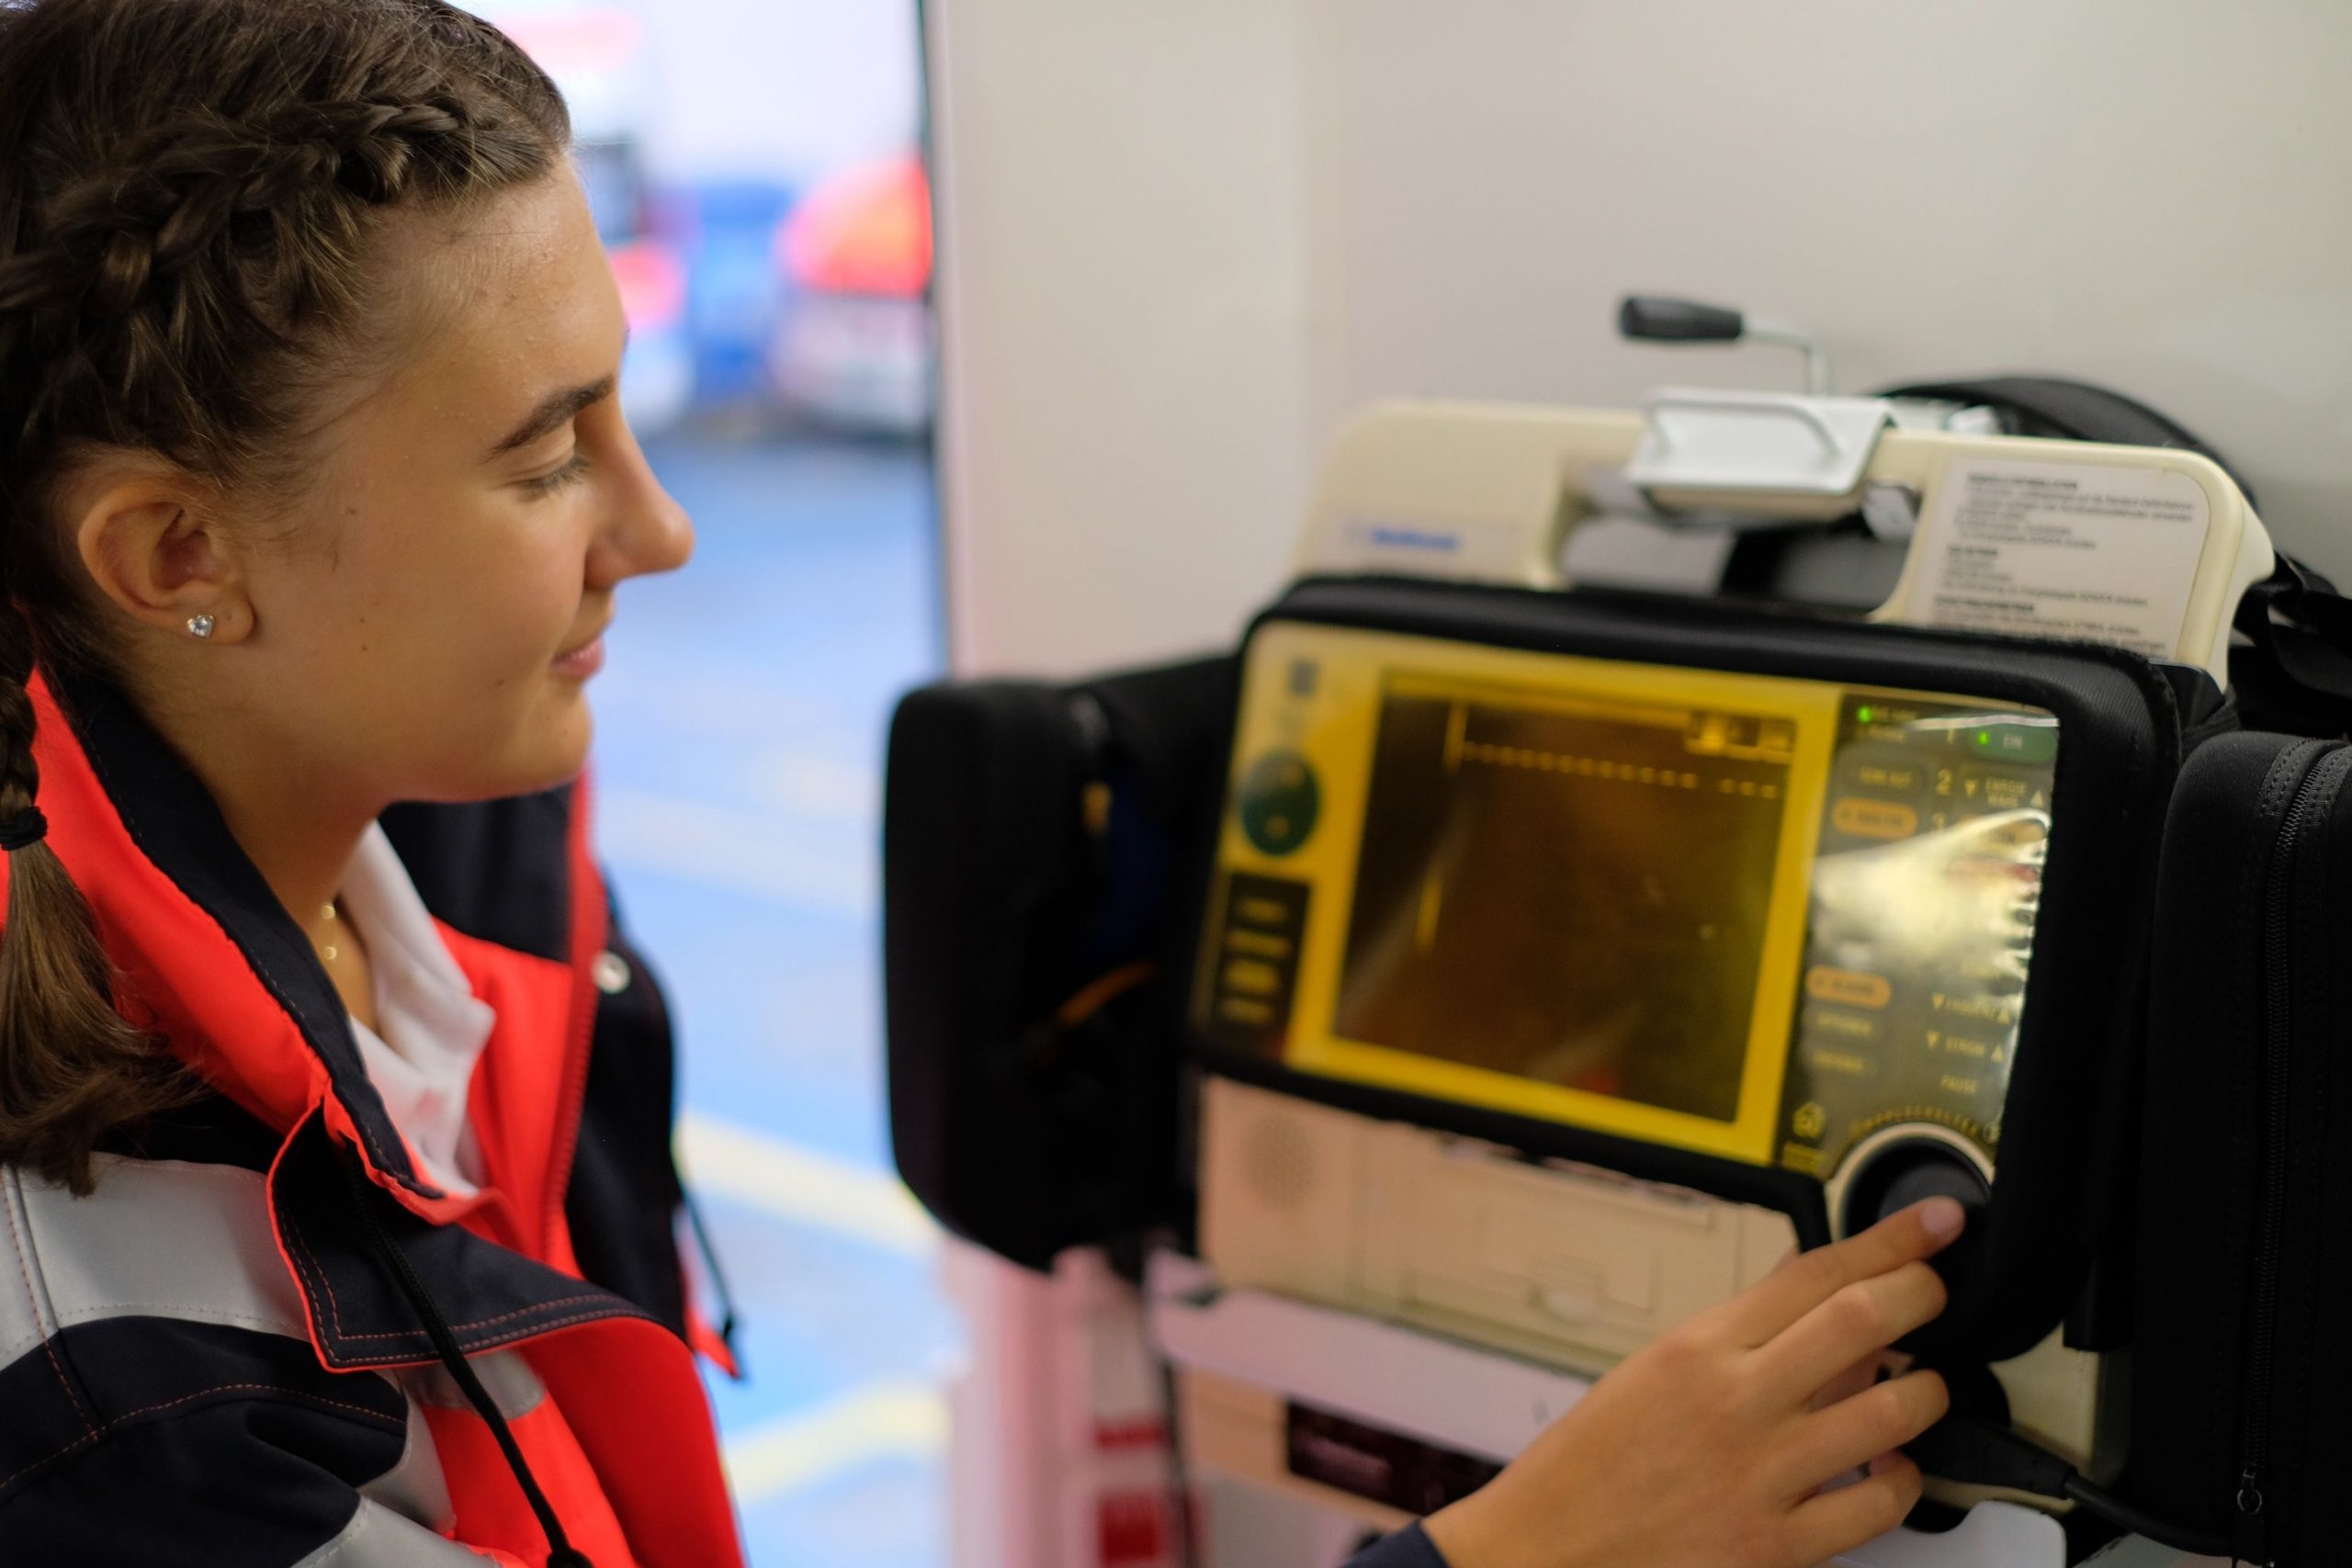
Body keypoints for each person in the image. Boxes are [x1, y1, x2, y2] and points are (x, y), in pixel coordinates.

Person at [0, 2, 1954, 1563]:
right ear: (177, 560)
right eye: (539, 459)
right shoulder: (103, 1384)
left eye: (623, 409)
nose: (660, 526)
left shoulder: (438, 845)